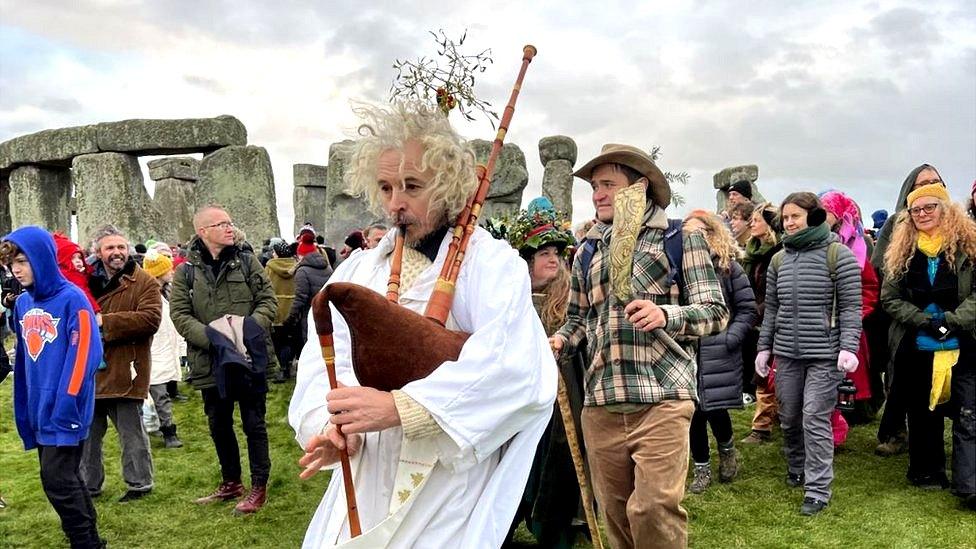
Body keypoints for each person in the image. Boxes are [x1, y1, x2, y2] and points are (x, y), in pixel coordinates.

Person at [288, 101, 556, 547]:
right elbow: (320, 360)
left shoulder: (492, 266)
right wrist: (329, 427)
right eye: (386, 187)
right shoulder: (358, 269)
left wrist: (402, 408)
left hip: (445, 482)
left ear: (448, 185)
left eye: (411, 186)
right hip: (366, 468)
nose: (396, 204)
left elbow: (514, 368)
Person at [552, 144, 728, 548]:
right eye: (594, 186)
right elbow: (580, 321)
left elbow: (717, 311)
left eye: (608, 184)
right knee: (616, 518)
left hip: (662, 396)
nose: (597, 193)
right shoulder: (587, 251)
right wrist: (561, 339)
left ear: (639, 187)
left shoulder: (679, 238)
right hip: (601, 403)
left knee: (651, 509)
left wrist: (668, 315)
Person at [756, 192, 862, 516]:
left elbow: (851, 307)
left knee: (815, 417)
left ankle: (817, 488)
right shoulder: (778, 260)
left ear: (813, 217)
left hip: (825, 356)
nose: (788, 223)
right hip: (787, 354)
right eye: (785, 218)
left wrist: (848, 346)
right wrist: (764, 348)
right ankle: (796, 466)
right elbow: (772, 309)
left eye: (795, 217)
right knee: (789, 417)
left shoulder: (838, 255)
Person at [170, 205, 278, 514]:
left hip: (249, 356)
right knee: (219, 423)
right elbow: (179, 313)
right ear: (203, 232)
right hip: (211, 360)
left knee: (254, 423)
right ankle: (231, 481)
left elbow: (268, 301)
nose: (230, 228)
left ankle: (259, 485)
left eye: (230, 222)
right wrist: (213, 338)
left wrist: (247, 330)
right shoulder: (186, 271)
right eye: (222, 224)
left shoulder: (247, 262)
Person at [2, 227, 104, 548]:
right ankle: (88, 538)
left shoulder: (73, 298)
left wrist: (66, 401)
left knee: (57, 480)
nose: (15, 269)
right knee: (63, 479)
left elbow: (86, 353)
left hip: (65, 406)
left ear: (42, 258)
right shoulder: (22, 304)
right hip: (37, 408)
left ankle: (84, 541)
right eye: (10, 263)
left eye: (22, 260)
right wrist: (25, 405)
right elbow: (26, 362)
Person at [493, 198, 584, 547]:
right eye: (543, 252)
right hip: (515, 401)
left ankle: (556, 531)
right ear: (527, 259)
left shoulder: (571, 298)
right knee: (509, 466)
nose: (552, 259)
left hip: (561, 404)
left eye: (556, 253)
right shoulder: (508, 299)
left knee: (557, 465)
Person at [880, 183, 975, 509]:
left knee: (966, 409)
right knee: (921, 409)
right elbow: (889, 297)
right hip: (917, 339)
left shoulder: (968, 245)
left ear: (945, 209)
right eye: (916, 210)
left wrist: (953, 319)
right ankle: (926, 471)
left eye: (929, 207)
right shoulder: (902, 250)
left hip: (963, 340)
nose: (922, 214)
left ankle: (968, 477)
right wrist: (922, 319)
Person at [872, 164, 948, 456]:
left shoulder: (955, 225)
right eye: (923, 182)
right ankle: (896, 432)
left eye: (935, 182)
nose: (929, 185)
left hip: (947, 316)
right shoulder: (895, 224)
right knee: (899, 377)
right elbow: (881, 265)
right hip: (905, 315)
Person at [83, 225, 161, 503]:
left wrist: (106, 322)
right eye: (109, 248)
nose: (116, 253)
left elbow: (151, 319)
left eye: (120, 247)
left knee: (131, 434)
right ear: (98, 252)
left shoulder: (144, 282)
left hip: (126, 367)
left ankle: (140, 484)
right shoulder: (83, 281)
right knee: (88, 436)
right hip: (89, 369)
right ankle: (88, 485)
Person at [683, 210, 757, 494]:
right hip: (690, 349)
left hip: (719, 349)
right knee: (693, 414)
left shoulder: (728, 268)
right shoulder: (682, 266)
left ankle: (727, 451)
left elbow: (747, 308)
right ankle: (701, 467)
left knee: (716, 409)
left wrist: (730, 338)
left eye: (700, 232)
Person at [821, 191, 881, 433]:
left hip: (847, 320)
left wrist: (857, 313)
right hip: (817, 321)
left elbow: (869, 285)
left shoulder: (857, 244)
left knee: (848, 373)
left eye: (826, 211)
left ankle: (847, 416)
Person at [740, 202, 782, 444]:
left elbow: (775, 293)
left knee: (765, 374)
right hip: (754, 320)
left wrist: (757, 312)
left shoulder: (778, 254)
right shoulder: (752, 252)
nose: (751, 224)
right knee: (761, 372)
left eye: (756, 220)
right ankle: (769, 420)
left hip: (771, 319)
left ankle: (761, 427)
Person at [142, 249, 184, 449]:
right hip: (154, 351)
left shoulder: (164, 291)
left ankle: (157, 425)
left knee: (159, 393)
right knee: (159, 394)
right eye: (168, 269)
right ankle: (169, 432)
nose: (172, 272)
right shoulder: (148, 295)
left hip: (164, 348)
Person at [285, 230, 333, 351]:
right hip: (328, 313)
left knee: (311, 347)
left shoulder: (302, 271)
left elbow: (300, 297)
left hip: (310, 314)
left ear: (301, 254)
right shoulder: (327, 267)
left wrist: (290, 318)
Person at [265, 239, 298, 383]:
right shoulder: (297, 267)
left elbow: (265, 286)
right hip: (294, 309)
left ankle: (283, 368)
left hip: (277, 309)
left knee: (279, 341)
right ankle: (290, 364)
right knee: (292, 340)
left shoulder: (270, 267)